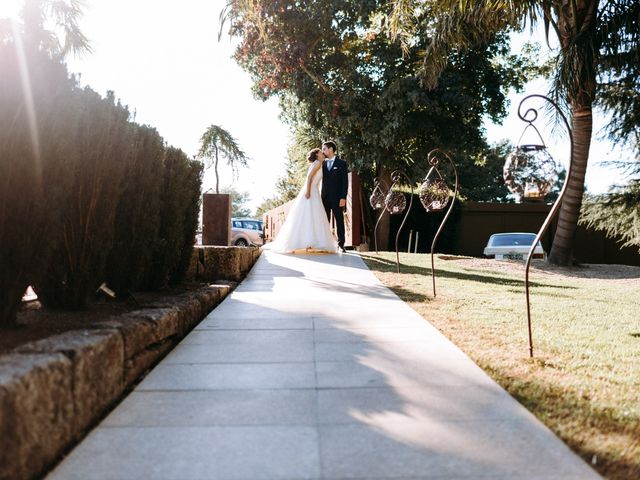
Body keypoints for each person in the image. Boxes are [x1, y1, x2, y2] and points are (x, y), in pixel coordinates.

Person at [263, 148, 338, 254]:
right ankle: (304, 242)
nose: (322, 153)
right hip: (311, 191)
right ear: (317, 155)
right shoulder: (316, 163)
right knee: (309, 214)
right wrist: (308, 191)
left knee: (314, 216)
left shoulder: (320, 164)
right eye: (321, 152)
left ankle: (312, 242)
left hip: (315, 191)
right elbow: (309, 178)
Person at [321, 140, 349, 252]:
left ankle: (341, 244)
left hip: (338, 198)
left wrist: (343, 197)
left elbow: (345, 182)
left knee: (339, 220)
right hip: (325, 198)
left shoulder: (342, 163)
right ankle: (326, 243)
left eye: (324, 149)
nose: (323, 151)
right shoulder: (322, 164)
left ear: (331, 149)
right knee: (325, 221)